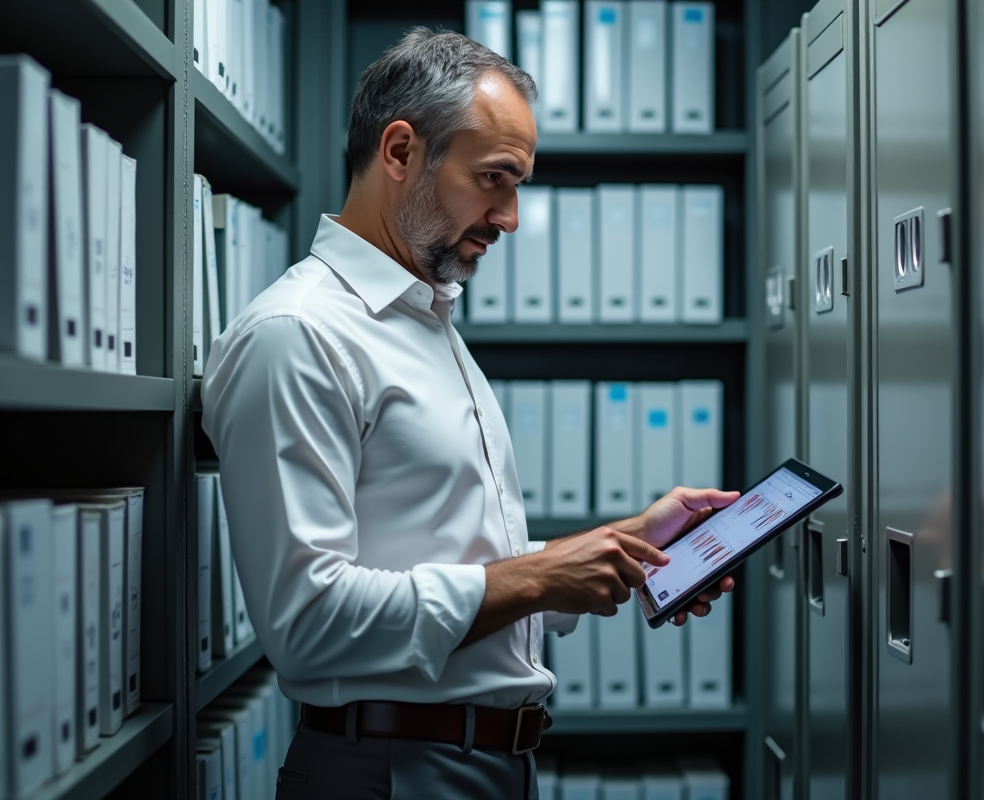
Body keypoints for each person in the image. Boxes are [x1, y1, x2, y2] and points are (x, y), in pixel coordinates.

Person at [201, 28, 737, 800]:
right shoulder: (299, 335)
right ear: (399, 152)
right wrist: (538, 577)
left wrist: (619, 548)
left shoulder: (425, 321)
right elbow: (307, 623)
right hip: (394, 771)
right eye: (495, 179)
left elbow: (453, 557)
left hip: (480, 765)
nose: (511, 217)